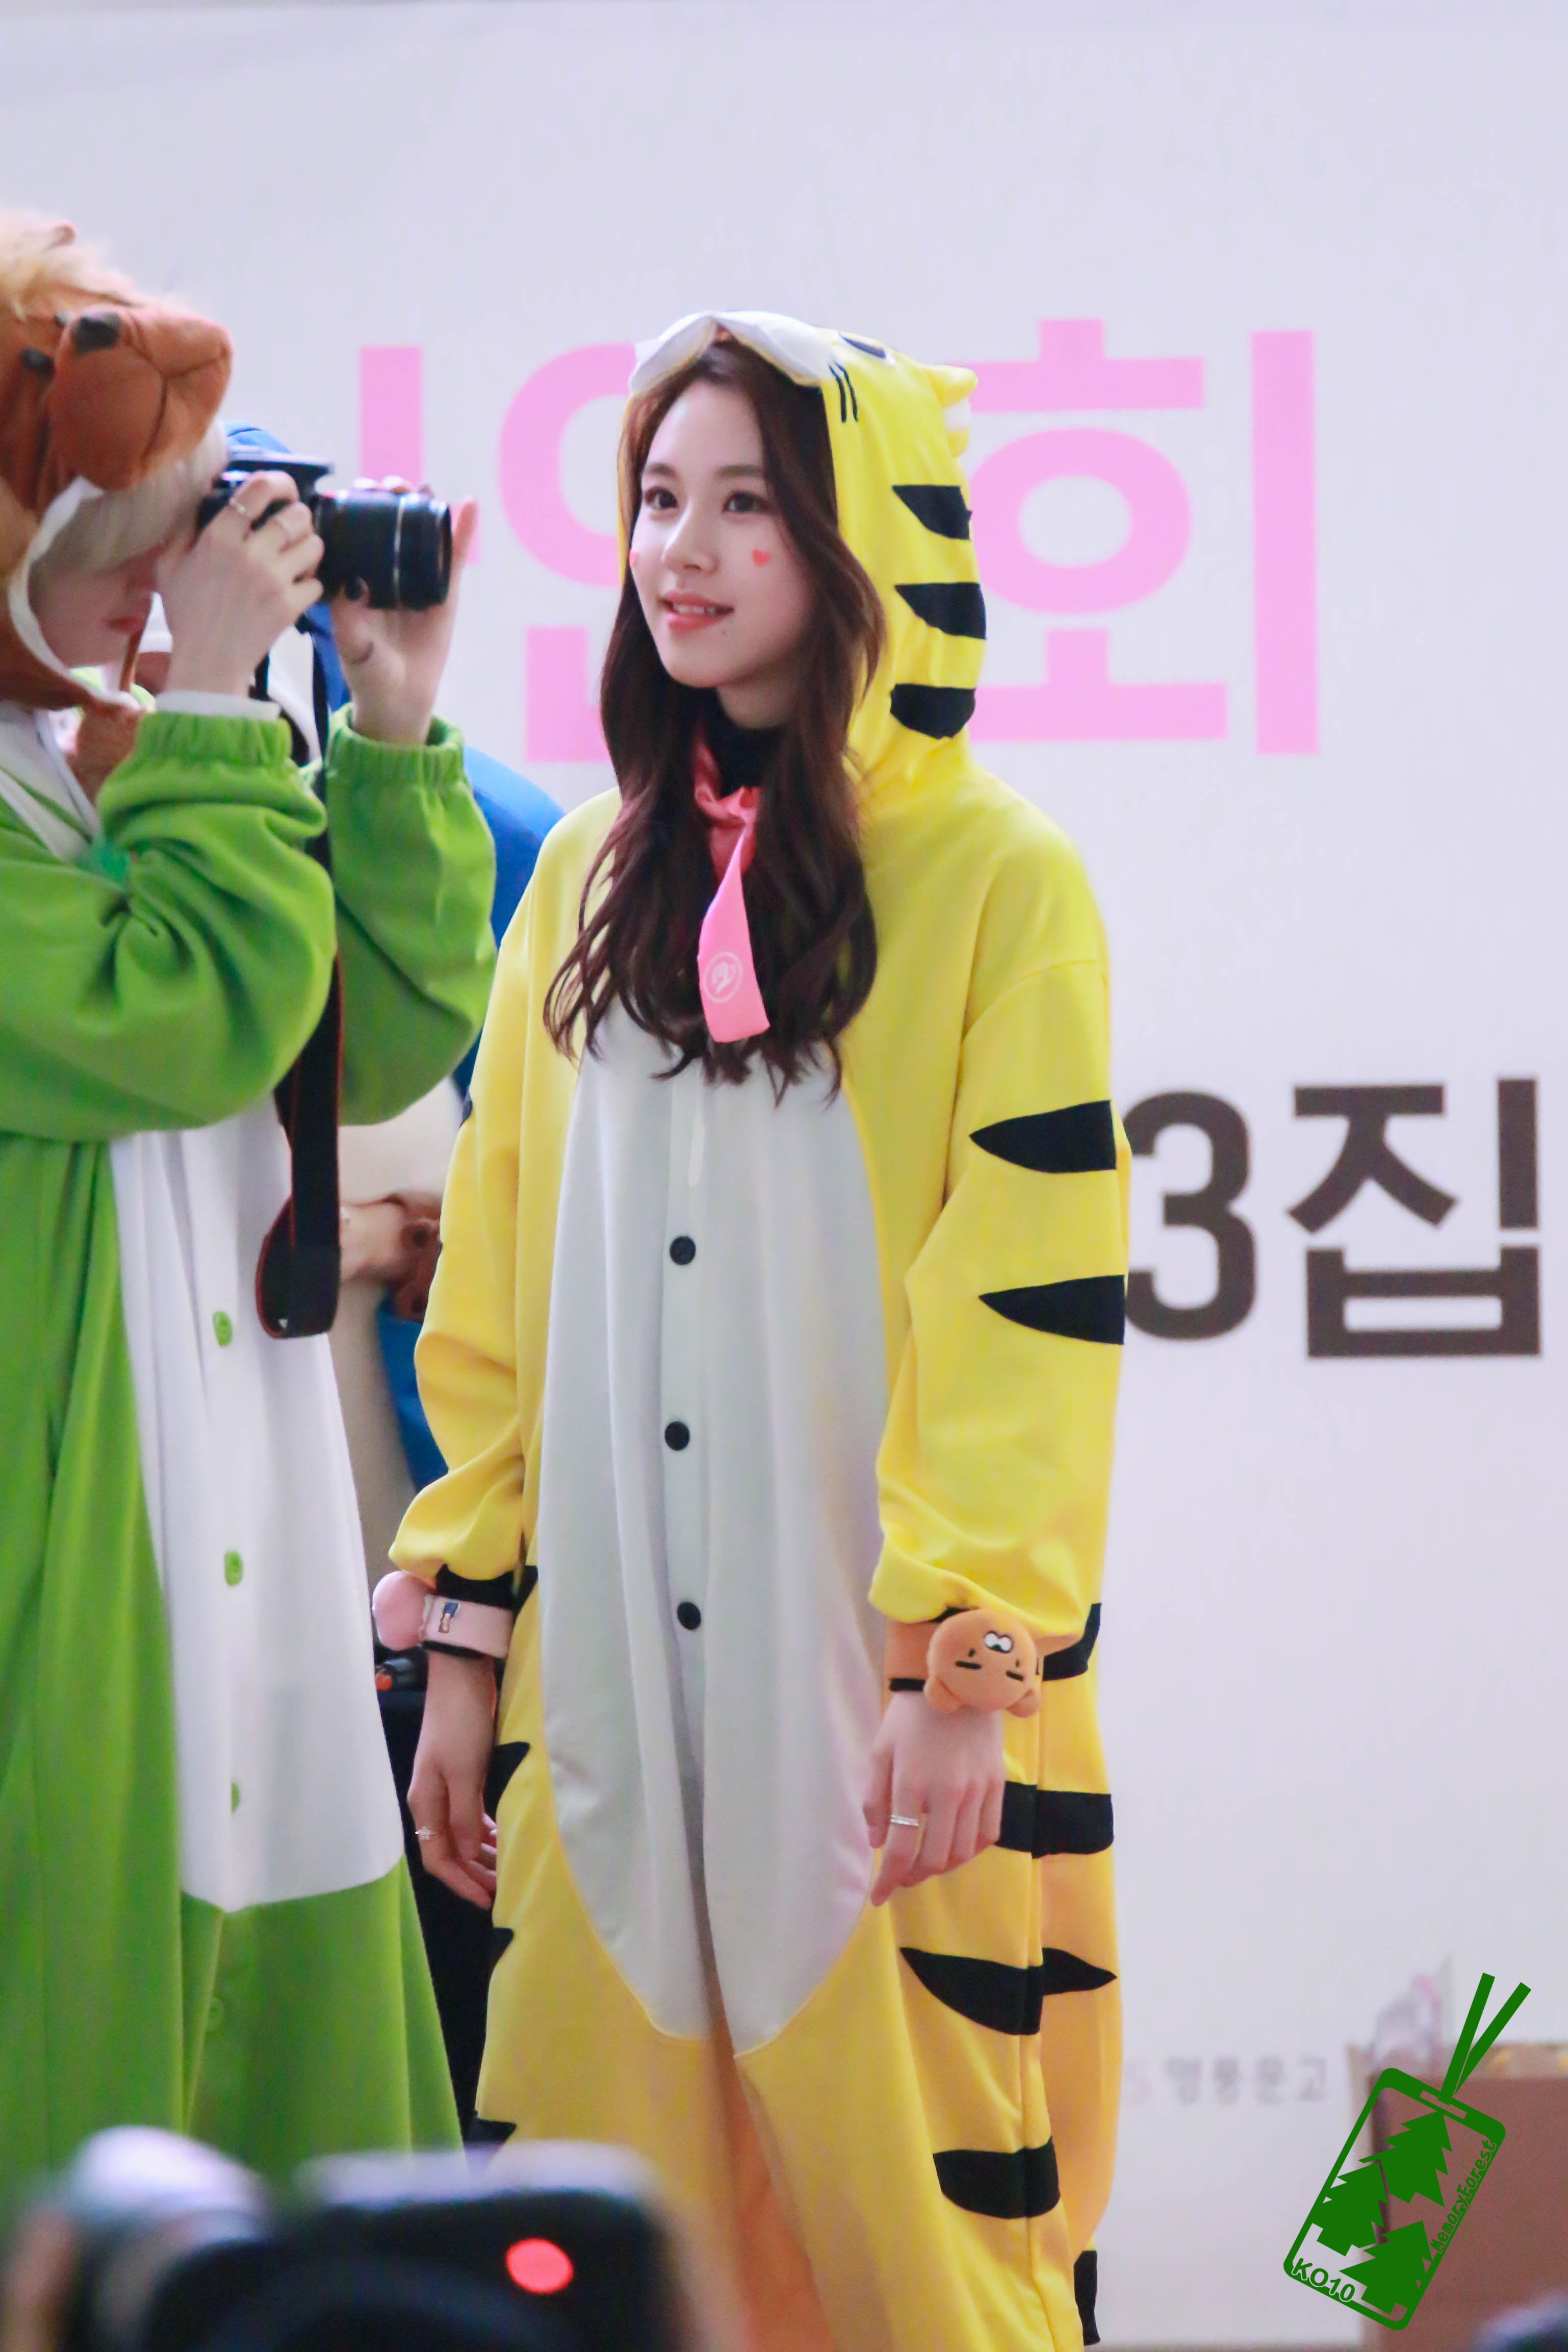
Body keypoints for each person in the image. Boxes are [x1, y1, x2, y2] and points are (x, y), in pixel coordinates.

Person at [390, 313, 1127, 2352]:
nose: (681, 551)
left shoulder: (998, 882)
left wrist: (962, 1657)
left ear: (856, 539)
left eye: (746, 507)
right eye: (655, 499)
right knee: (605, 2253)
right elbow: (499, 1294)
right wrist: (465, 1632)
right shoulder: (585, 879)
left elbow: (1026, 1302)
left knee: (926, 2235)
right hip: (611, 1700)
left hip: (867, 1702)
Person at [0, 215, 495, 2191]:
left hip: (247, 1538)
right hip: (77, 1570)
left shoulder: (100, 770)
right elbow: (183, 1011)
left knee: (286, 2104)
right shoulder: (126, 771)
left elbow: (352, 1050)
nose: (174, 580)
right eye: (135, 539)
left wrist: (383, 727)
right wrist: (204, 701)